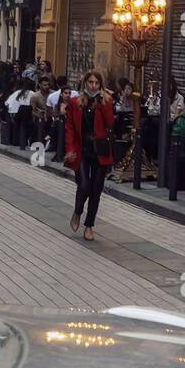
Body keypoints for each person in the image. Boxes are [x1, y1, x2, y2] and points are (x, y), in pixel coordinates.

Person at [64, 71, 114, 241]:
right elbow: (69, 128)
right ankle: (77, 212)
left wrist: (103, 103)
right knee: (84, 184)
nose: (93, 86)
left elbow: (110, 123)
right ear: (85, 83)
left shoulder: (105, 101)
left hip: (99, 150)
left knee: (96, 190)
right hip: (82, 150)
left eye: (96, 83)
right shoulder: (75, 102)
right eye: (90, 82)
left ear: (100, 85)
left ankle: (89, 226)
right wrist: (70, 149)